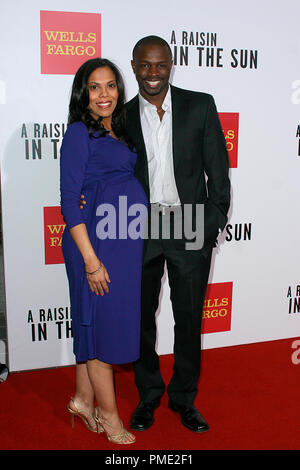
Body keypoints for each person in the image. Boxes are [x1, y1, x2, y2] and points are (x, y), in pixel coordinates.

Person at [125, 36, 231, 433]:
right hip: (141, 227)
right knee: (140, 320)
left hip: (189, 225)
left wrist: (210, 224)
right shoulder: (121, 115)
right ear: (134, 66)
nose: (153, 73)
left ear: (171, 65)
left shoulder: (199, 105)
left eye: (161, 65)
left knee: (188, 319)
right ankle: (148, 395)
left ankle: (184, 398)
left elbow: (218, 172)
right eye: (145, 66)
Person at [60, 58, 147, 444]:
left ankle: (82, 399)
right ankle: (110, 417)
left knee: (95, 325)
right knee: (101, 329)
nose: (104, 94)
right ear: (83, 93)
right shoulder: (80, 133)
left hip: (123, 241)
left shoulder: (119, 131)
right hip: (95, 243)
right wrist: (91, 261)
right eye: (95, 87)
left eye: (111, 85)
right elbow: (67, 199)